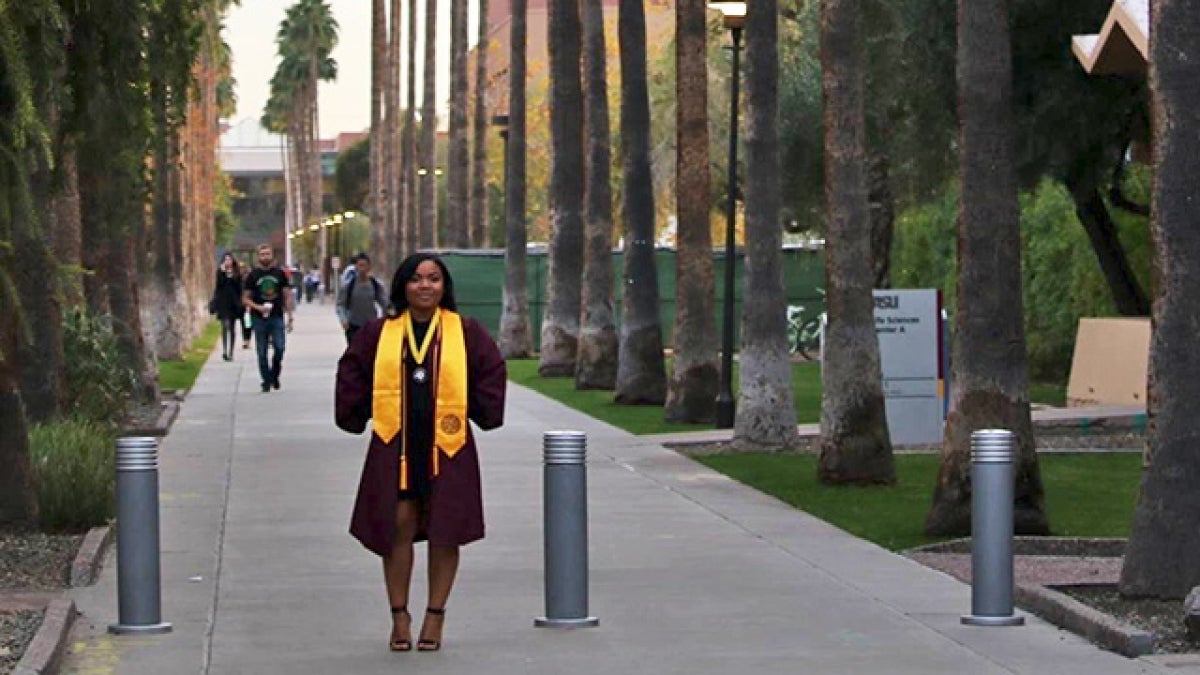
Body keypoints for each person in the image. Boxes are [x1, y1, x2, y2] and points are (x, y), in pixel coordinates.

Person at [335, 253, 506, 653]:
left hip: (448, 447)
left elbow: (491, 370)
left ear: (444, 286)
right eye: (415, 279)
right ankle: (399, 615)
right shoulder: (381, 332)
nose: (424, 286)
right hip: (396, 446)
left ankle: (435, 614)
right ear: (402, 286)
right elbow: (352, 370)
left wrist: (482, 408)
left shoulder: (465, 331)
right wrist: (355, 413)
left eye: (433, 279)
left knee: (446, 529)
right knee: (398, 525)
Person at [242, 243, 294, 392]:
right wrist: (258, 307)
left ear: (272, 256)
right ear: (258, 257)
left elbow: (287, 295)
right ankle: (266, 380)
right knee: (262, 351)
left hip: (276, 316)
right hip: (259, 318)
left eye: (267, 254)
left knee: (279, 348)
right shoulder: (253, 276)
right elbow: (245, 298)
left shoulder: (279, 273)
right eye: (262, 254)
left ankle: (275, 374)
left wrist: (290, 316)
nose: (265, 257)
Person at [336, 253, 389, 344]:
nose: (362, 269)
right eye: (359, 266)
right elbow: (340, 304)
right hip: (353, 326)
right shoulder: (349, 286)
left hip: (371, 326)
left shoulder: (375, 285)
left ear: (369, 267)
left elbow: (385, 303)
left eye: (364, 266)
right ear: (356, 267)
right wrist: (343, 319)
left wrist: (386, 319)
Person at [211, 252, 244, 361]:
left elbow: (239, 287)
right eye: (225, 259)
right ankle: (225, 350)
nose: (227, 261)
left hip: (234, 303)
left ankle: (231, 351)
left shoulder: (237, 273)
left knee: (232, 327)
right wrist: (224, 272)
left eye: (229, 259)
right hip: (223, 302)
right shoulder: (220, 272)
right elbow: (219, 285)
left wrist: (241, 302)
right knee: (224, 326)